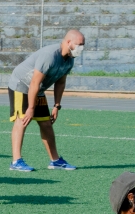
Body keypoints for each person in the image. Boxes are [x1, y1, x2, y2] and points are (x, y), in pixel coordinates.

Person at [8, 30, 84, 172]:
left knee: (46, 123)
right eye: (79, 44)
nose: (82, 48)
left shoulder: (70, 59)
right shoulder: (49, 56)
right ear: (68, 42)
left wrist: (56, 106)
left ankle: (55, 161)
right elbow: (34, 83)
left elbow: (60, 82)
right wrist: (30, 108)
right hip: (22, 85)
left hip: (38, 89)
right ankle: (16, 161)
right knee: (23, 119)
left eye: (83, 45)